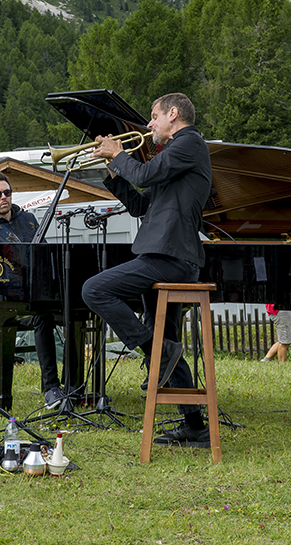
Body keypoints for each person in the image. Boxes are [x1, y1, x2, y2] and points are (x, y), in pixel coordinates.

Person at [81, 92, 212, 447]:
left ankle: (154, 350)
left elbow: (144, 172)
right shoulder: (175, 156)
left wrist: (119, 154)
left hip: (170, 257)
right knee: (168, 344)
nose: (149, 124)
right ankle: (195, 425)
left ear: (173, 114)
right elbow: (141, 204)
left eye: (153, 117)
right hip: (165, 255)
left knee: (94, 290)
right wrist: (112, 172)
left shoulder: (189, 143)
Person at [0, 171, 72, 410]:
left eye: (7, 192)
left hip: (38, 292)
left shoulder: (28, 219)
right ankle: (52, 388)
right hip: (8, 298)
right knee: (42, 315)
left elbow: (44, 255)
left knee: (74, 310)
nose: (4, 197)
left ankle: (73, 387)